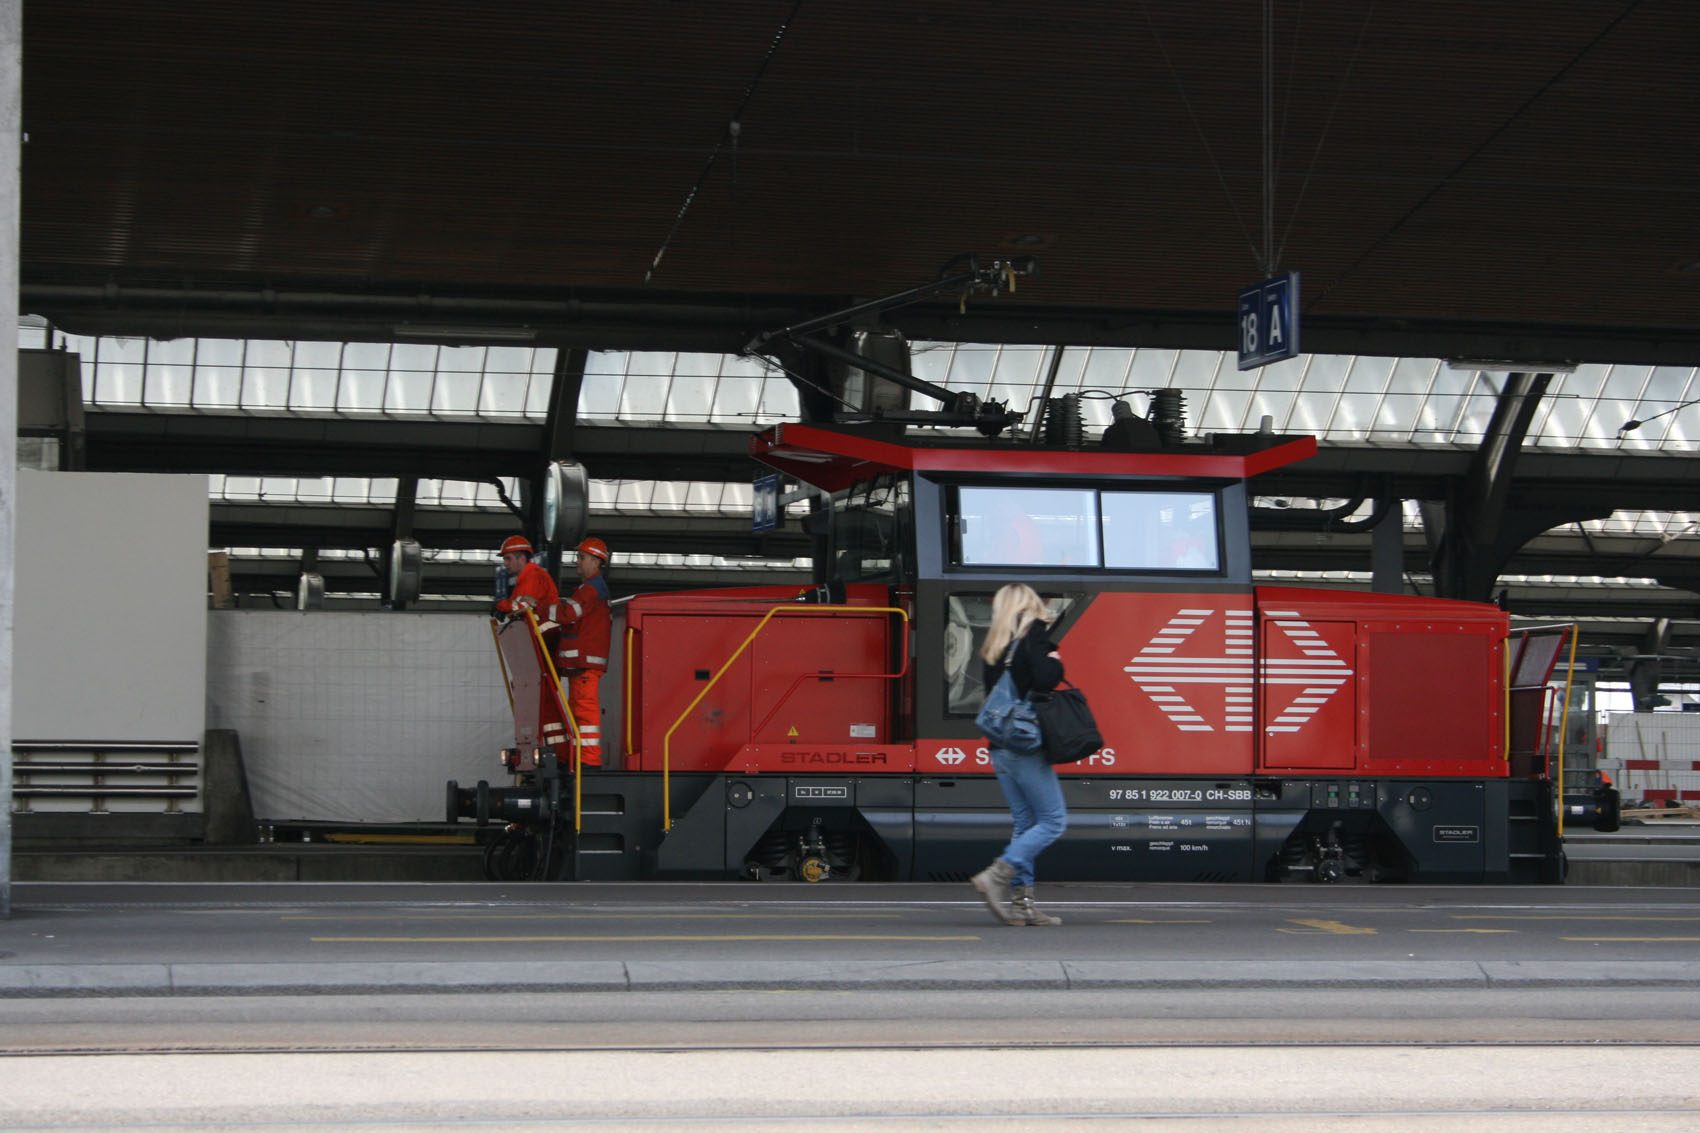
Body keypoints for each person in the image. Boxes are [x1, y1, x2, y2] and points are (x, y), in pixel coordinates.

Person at [971, 583, 1068, 927]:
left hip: (1000, 748)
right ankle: (996, 875)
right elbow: (1045, 679)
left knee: (1026, 824)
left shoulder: (995, 644)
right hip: (1026, 745)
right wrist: (1054, 662)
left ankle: (1021, 906)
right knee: (1053, 821)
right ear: (1029, 604)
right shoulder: (1033, 633)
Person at [556, 536, 612, 768]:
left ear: (596, 562)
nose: (577, 561)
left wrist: (540, 606)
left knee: (584, 712)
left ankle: (588, 761)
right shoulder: (589, 589)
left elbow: (568, 614)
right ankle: (581, 758)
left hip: (584, 665)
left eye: (582, 557)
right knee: (579, 712)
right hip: (581, 665)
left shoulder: (590, 590)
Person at [494, 535, 559, 623]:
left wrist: (500, 606)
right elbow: (514, 604)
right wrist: (503, 608)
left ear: (522, 558)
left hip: (543, 629)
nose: (505, 563)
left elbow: (523, 605)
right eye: (504, 559)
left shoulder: (534, 575)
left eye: (508, 558)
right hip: (535, 628)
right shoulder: (524, 579)